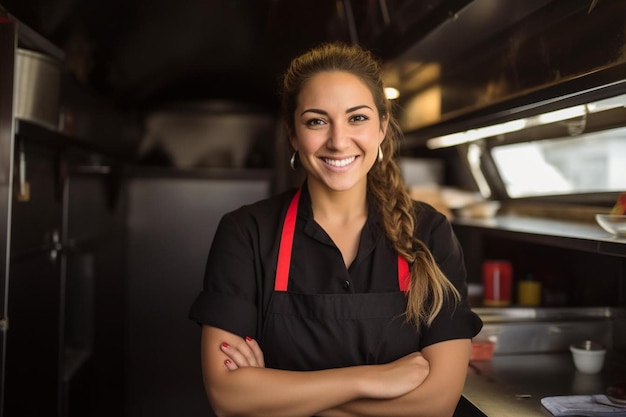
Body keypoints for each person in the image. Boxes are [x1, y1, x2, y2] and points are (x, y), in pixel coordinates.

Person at [189, 41, 483, 417]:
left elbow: (436, 403)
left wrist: (284, 397)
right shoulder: (246, 233)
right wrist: (370, 380)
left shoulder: (429, 231)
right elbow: (229, 399)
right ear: (293, 135)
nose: (338, 141)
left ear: (382, 127)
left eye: (357, 118)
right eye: (317, 121)